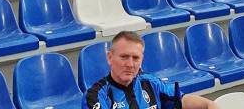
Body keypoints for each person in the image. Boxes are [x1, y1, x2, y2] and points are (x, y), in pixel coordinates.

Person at [84, 31, 219, 109]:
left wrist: (209, 104)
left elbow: (180, 99)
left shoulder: (150, 82)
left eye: (135, 58)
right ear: (110, 57)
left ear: (141, 60)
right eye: (124, 57)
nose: (130, 64)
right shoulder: (96, 95)